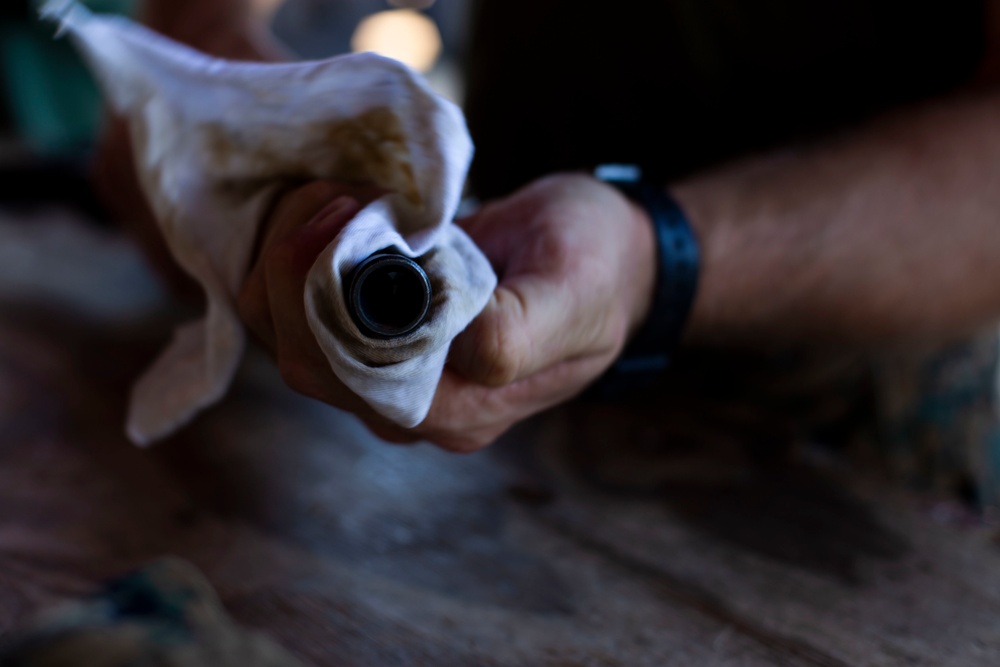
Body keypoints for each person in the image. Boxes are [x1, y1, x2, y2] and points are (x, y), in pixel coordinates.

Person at [95, 0, 1000, 452]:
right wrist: (238, 158)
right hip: (509, 315)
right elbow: (191, 32)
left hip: (856, 433)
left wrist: (658, 257)